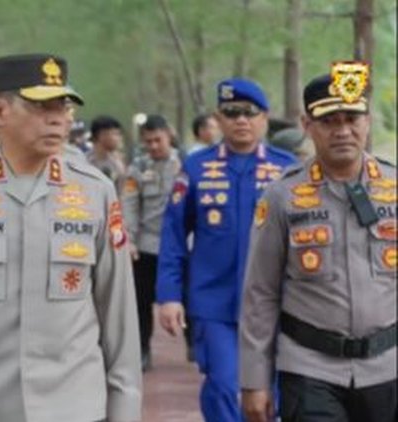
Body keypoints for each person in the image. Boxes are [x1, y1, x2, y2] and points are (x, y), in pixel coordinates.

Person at [0, 53, 141, 422]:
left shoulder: (94, 192)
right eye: (41, 105)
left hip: (75, 408)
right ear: (1, 112)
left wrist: (125, 411)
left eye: (63, 105)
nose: (58, 117)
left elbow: (118, 316)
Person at [239, 62, 396, 422]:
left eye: (351, 119)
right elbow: (260, 293)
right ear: (306, 125)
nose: (342, 130)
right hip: (311, 369)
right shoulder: (282, 196)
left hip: (389, 367)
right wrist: (254, 381)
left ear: (367, 122)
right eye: (329, 121)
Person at [156, 78, 297, 421]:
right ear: (219, 119)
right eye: (232, 113)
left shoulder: (288, 168)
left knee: (273, 389)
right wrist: (169, 295)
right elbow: (174, 233)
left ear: (264, 118)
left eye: (250, 113)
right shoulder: (196, 168)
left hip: (276, 301)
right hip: (214, 300)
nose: (241, 121)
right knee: (222, 384)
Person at [121, 114, 182, 371]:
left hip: (182, 246)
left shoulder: (187, 165)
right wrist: (129, 240)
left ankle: (196, 344)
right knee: (141, 302)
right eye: (148, 142)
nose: (154, 146)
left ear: (169, 135)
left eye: (158, 140)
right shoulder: (137, 169)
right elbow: (130, 205)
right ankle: (143, 348)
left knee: (192, 296)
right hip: (148, 245)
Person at [86, 115, 127, 193]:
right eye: (115, 134)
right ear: (102, 135)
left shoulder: (118, 163)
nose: (119, 138)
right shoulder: (84, 162)